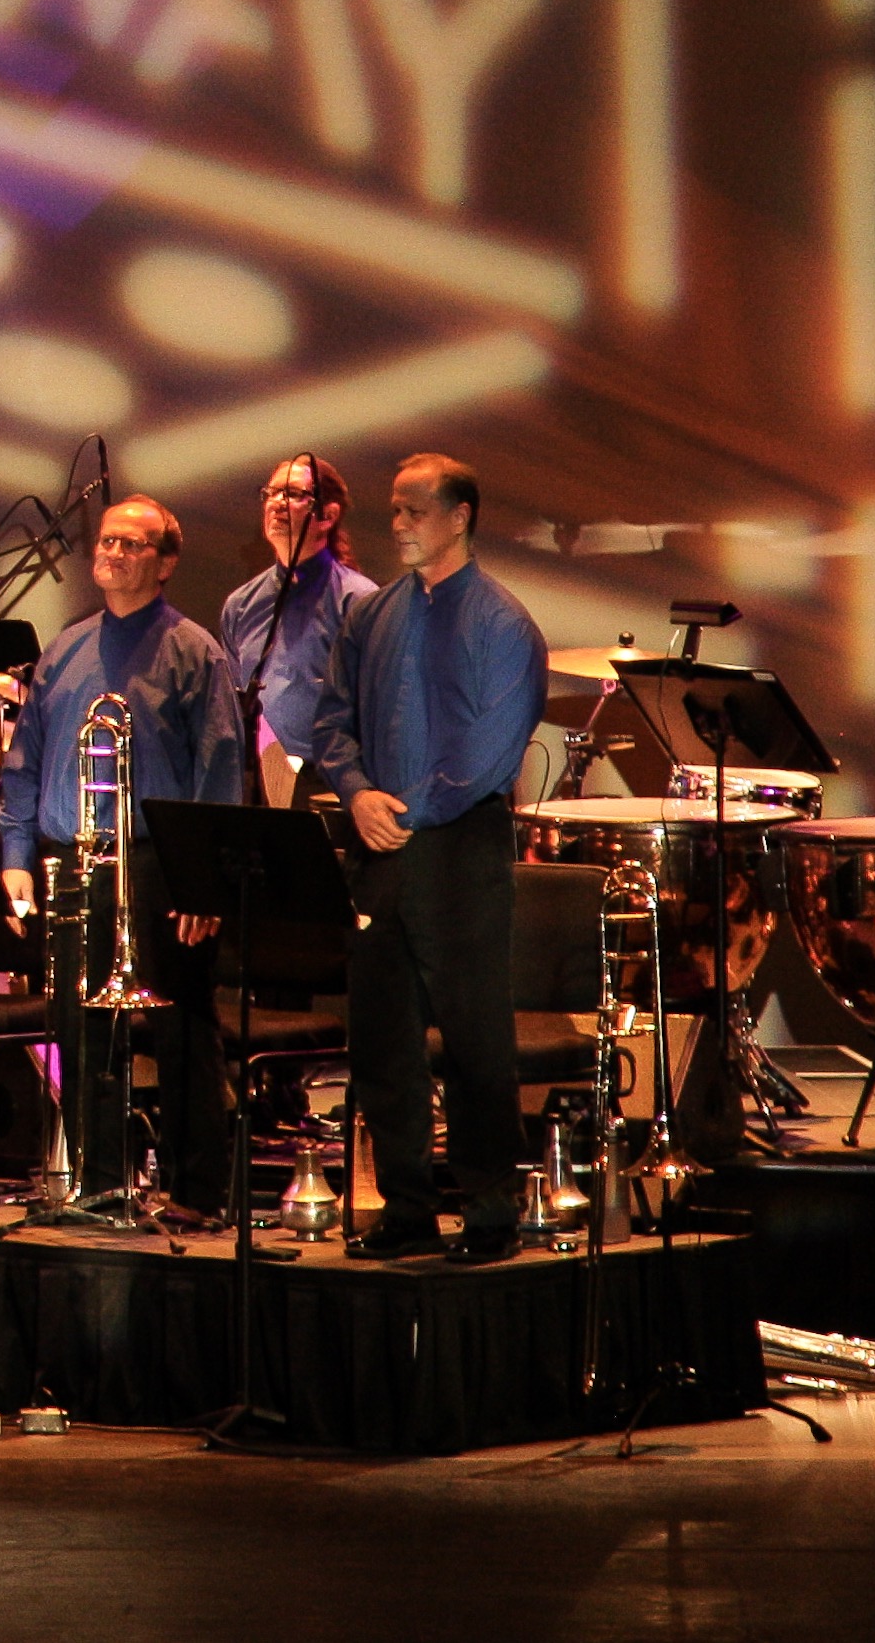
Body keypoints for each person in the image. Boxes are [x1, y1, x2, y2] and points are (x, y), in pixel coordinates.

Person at [309, 451, 547, 1263]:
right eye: (395, 510)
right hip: (378, 842)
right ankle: (406, 1205)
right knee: (382, 1035)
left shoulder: (502, 623)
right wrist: (355, 792)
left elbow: (488, 751)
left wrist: (400, 808)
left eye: (415, 509)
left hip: (457, 847)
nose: (399, 523)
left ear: (459, 516)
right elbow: (331, 719)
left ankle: (490, 1208)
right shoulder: (373, 614)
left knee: (474, 1032)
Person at [0, 497, 248, 1217]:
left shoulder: (195, 650)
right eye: (107, 540)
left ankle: (197, 1193)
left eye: (133, 544)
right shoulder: (64, 649)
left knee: (182, 1027)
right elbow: (24, 761)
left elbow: (219, 771)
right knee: (79, 1029)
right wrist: (16, 854)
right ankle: (100, 1184)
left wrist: (203, 881)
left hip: (158, 866)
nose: (113, 552)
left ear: (166, 563)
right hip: (74, 860)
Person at [209, 455, 379, 808]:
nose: (277, 503)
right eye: (271, 493)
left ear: (327, 515)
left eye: (292, 494)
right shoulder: (241, 604)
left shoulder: (357, 600)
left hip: (330, 784)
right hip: (257, 783)